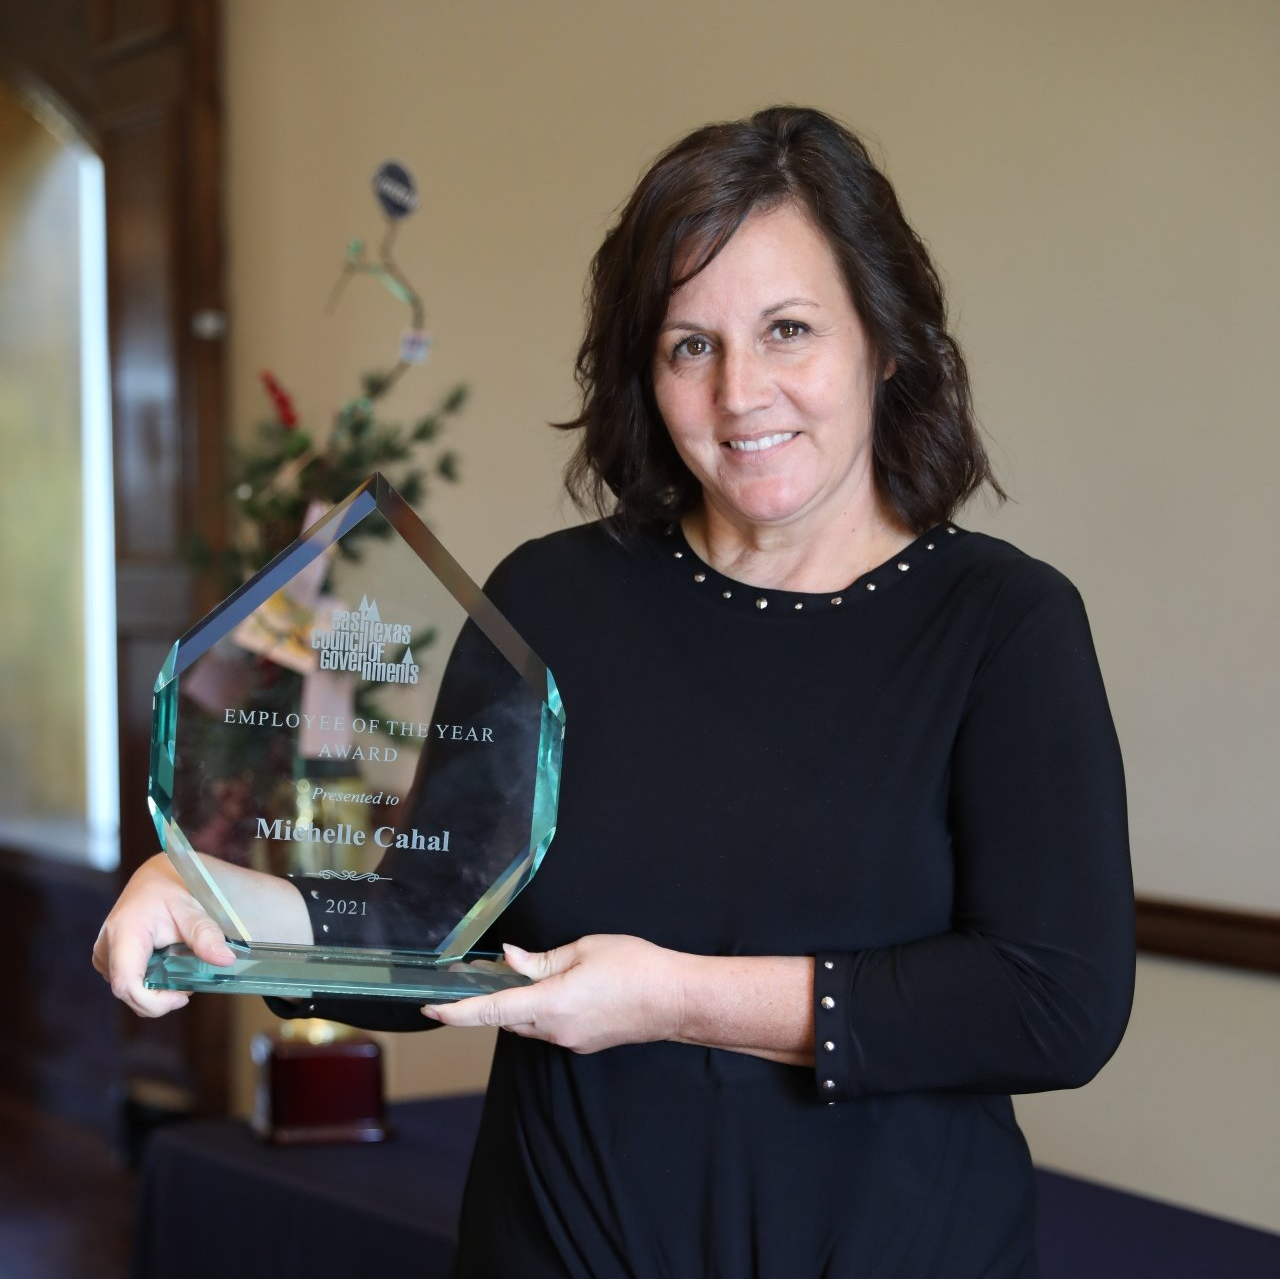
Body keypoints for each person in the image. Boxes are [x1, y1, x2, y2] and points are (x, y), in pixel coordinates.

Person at [94, 105, 1134, 1277]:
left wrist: (671, 997)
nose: (741, 393)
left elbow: (1054, 1001)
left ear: (884, 344)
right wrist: (207, 901)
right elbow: (425, 921)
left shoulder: (1001, 622)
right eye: (690, 344)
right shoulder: (552, 598)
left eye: (788, 329)